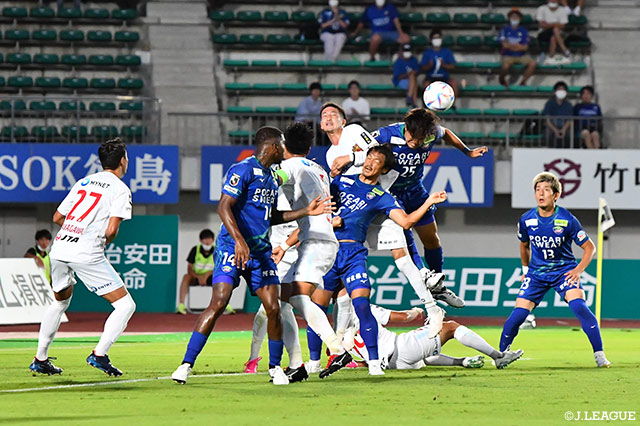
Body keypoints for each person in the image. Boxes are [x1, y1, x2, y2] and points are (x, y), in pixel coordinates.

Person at [171, 126, 332, 386]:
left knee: (274, 308)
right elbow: (224, 206)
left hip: (260, 252)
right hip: (231, 248)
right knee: (219, 302)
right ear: (273, 147)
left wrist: (305, 211)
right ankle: (186, 365)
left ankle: (275, 368)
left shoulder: (272, 177)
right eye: (282, 144)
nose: (285, 149)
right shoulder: (243, 169)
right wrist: (238, 241)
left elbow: (273, 216)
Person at [322, 102, 450, 339]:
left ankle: (432, 309)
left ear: (343, 120)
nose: (328, 117)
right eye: (324, 115)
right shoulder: (330, 154)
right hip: (353, 214)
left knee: (402, 258)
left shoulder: (353, 132)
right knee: (342, 282)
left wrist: (350, 157)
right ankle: (342, 338)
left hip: (377, 200)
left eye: (333, 114)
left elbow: (376, 151)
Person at [323, 144, 448, 376]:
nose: (370, 163)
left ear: (384, 169)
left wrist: (429, 201)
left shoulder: (382, 196)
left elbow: (407, 222)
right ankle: (316, 360)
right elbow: (322, 204)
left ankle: (374, 360)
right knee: (319, 306)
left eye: (377, 161)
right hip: (329, 249)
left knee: (363, 302)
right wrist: (328, 220)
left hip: (355, 249)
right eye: (369, 157)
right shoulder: (341, 181)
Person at [29, 138, 135, 377]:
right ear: (122, 161)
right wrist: (96, 241)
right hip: (86, 252)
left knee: (59, 302)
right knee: (125, 305)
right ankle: (99, 354)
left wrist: (75, 233)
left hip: (60, 248)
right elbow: (111, 230)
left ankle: (40, 358)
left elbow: (58, 217)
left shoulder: (83, 182)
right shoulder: (120, 189)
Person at [373, 108, 487, 302]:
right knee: (405, 233)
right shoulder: (387, 134)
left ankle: (438, 285)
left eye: (420, 139)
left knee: (432, 239)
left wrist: (467, 152)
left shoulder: (431, 134)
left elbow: (446, 133)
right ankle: (423, 273)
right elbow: (361, 146)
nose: (415, 143)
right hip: (391, 193)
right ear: (406, 128)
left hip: (415, 190)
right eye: (412, 138)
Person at [500, 172, 611, 368]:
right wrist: (525, 269)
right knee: (518, 316)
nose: (541, 194)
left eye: (546, 190)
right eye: (537, 190)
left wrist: (578, 270)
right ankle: (501, 355)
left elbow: (589, 248)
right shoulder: (526, 219)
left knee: (580, 308)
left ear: (556, 195)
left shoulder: (567, 219)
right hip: (536, 274)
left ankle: (600, 356)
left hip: (563, 272)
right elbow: (524, 245)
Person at [344, 304, 523, 370]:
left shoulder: (341, 326)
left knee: (423, 355)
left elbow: (362, 360)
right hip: (400, 348)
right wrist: (417, 311)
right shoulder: (363, 308)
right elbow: (403, 317)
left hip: (392, 365)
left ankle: (462, 362)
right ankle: (498, 357)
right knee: (450, 327)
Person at [244, 190, 299, 375]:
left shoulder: (307, 191)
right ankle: (254, 358)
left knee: (286, 308)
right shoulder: (273, 193)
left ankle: (299, 360)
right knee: (270, 309)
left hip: (299, 256)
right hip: (275, 257)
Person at [176, 229, 235, 315]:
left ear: (213, 240)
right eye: (205, 239)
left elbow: (220, 267)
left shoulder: (217, 250)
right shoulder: (195, 250)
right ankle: (181, 305)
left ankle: (225, 304)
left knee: (222, 279)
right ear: (201, 240)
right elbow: (190, 269)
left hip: (212, 276)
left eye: (209, 239)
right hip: (196, 276)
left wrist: (208, 274)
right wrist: (199, 277)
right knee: (186, 277)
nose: (207, 242)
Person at [498, 8, 537, 89]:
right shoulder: (504, 30)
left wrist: (511, 46)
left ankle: (523, 82)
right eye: (513, 16)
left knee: (533, 63)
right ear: (509, 18)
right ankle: (502, 79)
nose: (514, 18)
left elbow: (525, 47)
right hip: (507, 55)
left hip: (521, 56)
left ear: (520, 19)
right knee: (505, 66)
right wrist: (517, 46)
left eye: (517, 17)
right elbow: (505, 45)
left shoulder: (523, 31)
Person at [420, 29, 458, 99]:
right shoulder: (427, 53)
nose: (437, 40)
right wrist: (429, 65)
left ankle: (452, 104)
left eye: (438, 38)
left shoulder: (447, 52)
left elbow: (452, 66)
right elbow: (423, 67)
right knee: (426, 85)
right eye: (434, 38)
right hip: (431, 78)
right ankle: (426, 104)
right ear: (431, 40)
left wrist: (444, 65)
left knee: (453, 83)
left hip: (444, 78)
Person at [543, 81, 574, 148]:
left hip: (564, 126)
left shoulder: (568, 105)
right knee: (548, 133)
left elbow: (569, 120)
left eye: (563, 90)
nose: (561, 91)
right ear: (555, 92)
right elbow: (548, 120)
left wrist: (563, 130)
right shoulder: (549, 104)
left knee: (569, 134)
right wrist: (555, 130)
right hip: (552, 126)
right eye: (559, 89)